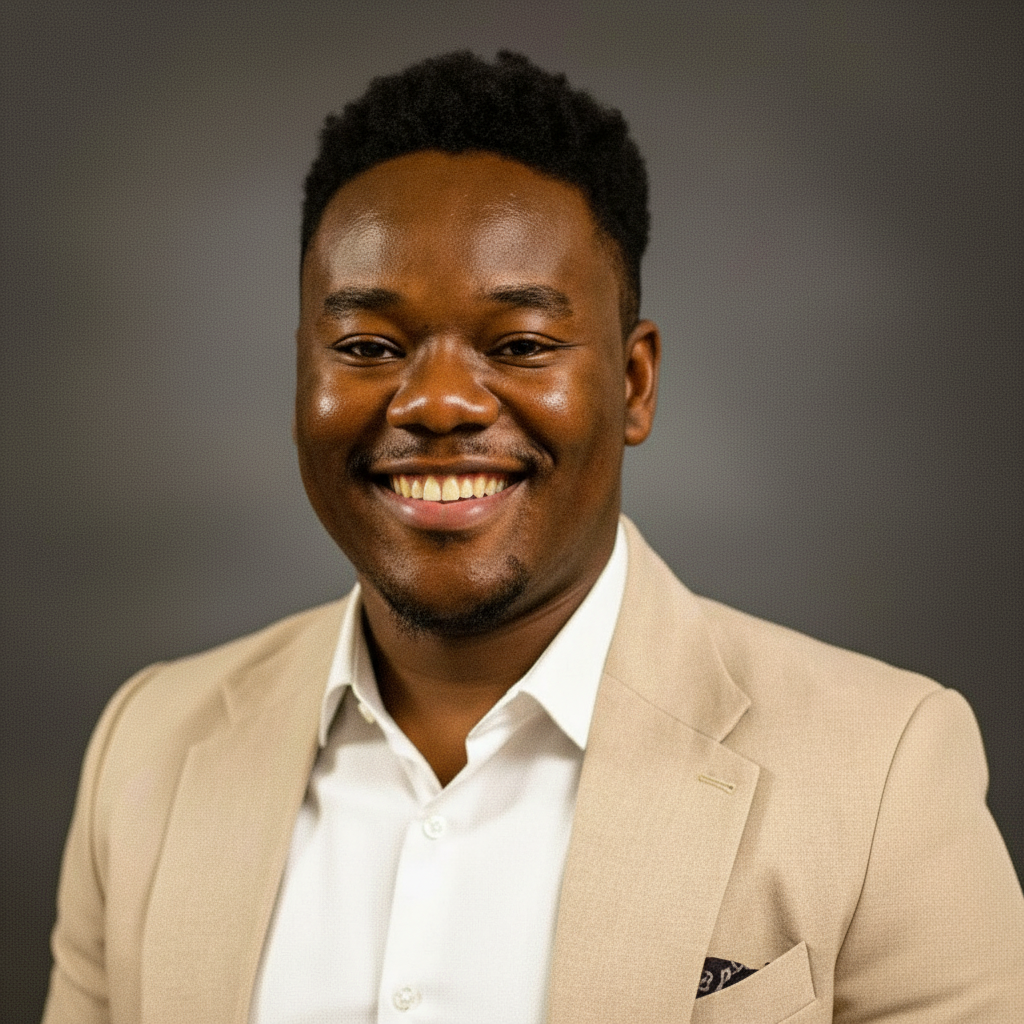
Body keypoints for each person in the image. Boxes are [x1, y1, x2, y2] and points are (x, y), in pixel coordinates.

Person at [43, 51, 1023, 1024]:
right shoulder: (149, 746)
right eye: (368, 348)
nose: (434, 403)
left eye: (517, 345)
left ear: (633, 384)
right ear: (301, 377)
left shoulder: (886, 767)